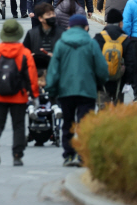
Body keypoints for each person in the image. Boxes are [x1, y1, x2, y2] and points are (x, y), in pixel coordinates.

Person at [46, 14, 109, 167]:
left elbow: (54, 70)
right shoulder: (91, 43)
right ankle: (82, 155)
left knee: (67, 123)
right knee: (84, 123)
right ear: (86, 27)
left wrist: (52, 89)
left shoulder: (61, 44)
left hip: (65, 91)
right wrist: (100, 83)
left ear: (69, 27)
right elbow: (102, 69)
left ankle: (68, 155)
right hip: (87, 90)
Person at [0, 20, 38, 167]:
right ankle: (17, 156)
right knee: (18, 125)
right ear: (18, 34)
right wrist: (34, 95)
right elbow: (31, 77)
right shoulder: (24, 53)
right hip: (18, 96)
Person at [93, 9, 137, 104]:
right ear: (120, 23)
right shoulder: (125, 39)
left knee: (103, 112)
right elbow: (131, 62)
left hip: (101, 83)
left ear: (107, 23)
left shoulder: (98, 38)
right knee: (117, 113)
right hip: (119, 82)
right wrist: (128, 81)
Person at [23, 3, 63, 76]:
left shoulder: (62, 33)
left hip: (57, 72)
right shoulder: (32, 34)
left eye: (53, 14)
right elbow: (24, 53)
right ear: (40, 18)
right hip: (37, 73)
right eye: (48, 15)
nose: (52, 16)